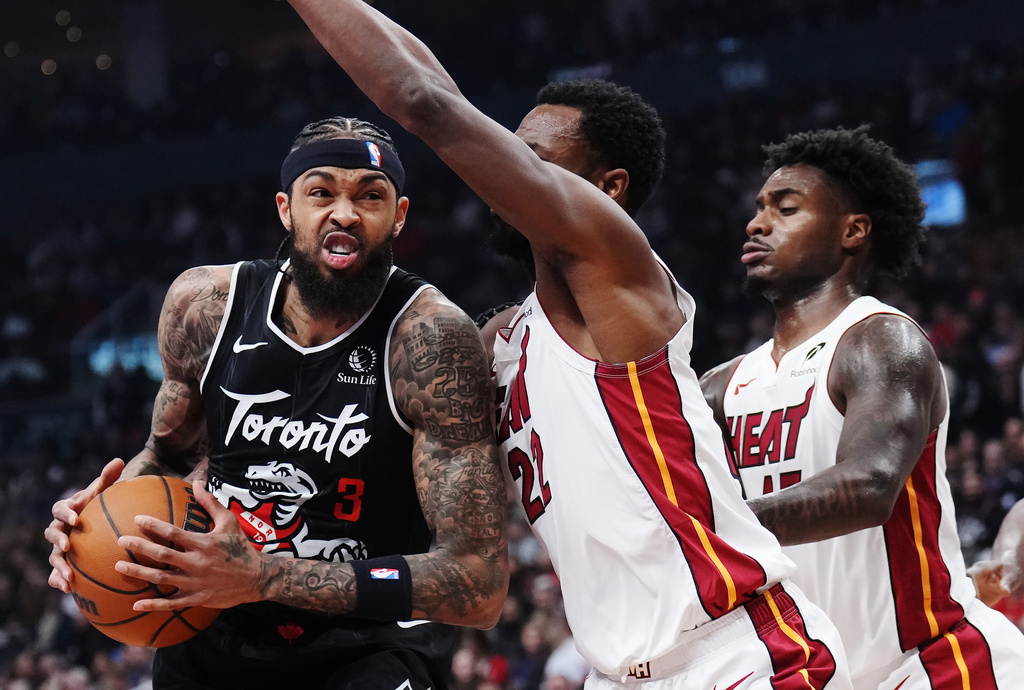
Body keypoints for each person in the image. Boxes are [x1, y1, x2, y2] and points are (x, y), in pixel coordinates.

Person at [282, 1, 855, 688]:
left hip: (738, 653)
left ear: (606, 189)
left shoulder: (616, 269)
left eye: (535, 161)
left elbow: (425, 102)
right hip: (618, 672)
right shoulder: (505, 339)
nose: (504, 173)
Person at [45, 117, 510, 689]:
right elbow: (165, 457)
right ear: (286, 209)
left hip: (369, 644)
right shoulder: (206, 307)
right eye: (321, 193)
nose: (345, 213)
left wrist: (264, 576)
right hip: (212, 628)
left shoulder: (429, 341)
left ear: (400, 216)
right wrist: (92, 529)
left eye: (370, 195)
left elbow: (479, 581)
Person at [699, 126, 1024, 688]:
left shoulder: (879, 341)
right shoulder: (721, 386)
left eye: (786, 207)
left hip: (934, 664)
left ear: (852, 231)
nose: (757, 224)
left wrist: (710, 530)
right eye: (758, 209)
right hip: (819, 673)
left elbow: (871, 486)